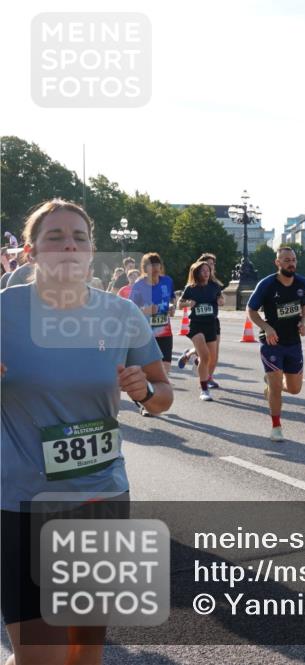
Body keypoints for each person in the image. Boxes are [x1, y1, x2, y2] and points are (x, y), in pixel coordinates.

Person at [1, 199, 172, 665]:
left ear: (91, 251)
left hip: (99, 497)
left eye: (78, 236)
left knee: (85, 650)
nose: (68, 245)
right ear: (32, 252)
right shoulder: (3, 311)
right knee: (42, 656)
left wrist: (145, 392)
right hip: (21, 502)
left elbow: (163, 394)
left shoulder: (121, 315)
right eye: (54, 236)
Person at [246, 246, 305, 442]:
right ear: (278, 263)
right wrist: (267, 327)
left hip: (293, 342)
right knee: (275, 387)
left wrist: (303, 322)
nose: (291, 263)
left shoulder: (302, 283)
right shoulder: (267, 285)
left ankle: (271, 386)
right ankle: (276, 426)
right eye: (287, 260)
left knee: (295, 389)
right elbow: (251, 310)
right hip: (272, 343)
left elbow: (304, 305)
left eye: (293, 259)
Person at [129, 253, 176, 396]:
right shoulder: (139, 285)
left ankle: (153, 397)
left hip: (165, 331)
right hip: (146, 333)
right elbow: (130, 308)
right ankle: (146, 401)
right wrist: (145, 310)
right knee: (148, 370)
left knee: (165, 368)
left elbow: (172, 297)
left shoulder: (167, 281)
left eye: (157, 264)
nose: (155, 268)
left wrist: (173, 306)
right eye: (151, 265)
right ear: (144, 268)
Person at [178, 260, 224, 402]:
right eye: (203, 271)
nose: (206, 273)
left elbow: (221, 299)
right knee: (204, 356)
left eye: (208, 271)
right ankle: (204, 389)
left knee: (211, 358)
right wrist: (188, 303)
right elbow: (179, 304)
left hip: (211, 324)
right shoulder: (191, 288)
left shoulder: (214, 286)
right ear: (197, 273)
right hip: (197, 325)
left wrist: (221, 300)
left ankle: (188, 354)